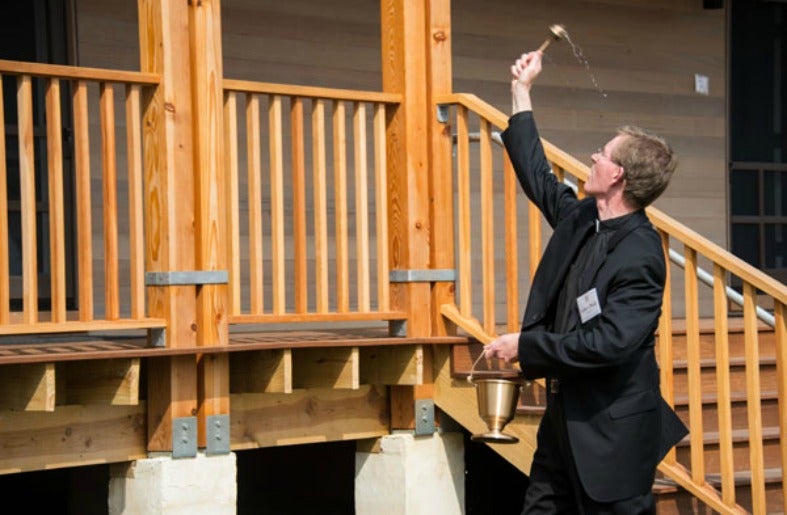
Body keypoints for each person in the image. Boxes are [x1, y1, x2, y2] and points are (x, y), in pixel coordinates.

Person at [482, 49, 689, 514]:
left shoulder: (641, 253)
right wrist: (521, 91)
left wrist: (527, 346)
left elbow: (609, 343)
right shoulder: (582, 218)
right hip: (562, 426)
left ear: (616, 174)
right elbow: (537, 176)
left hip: (611, 437)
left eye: (602, 153)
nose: (593, 156)